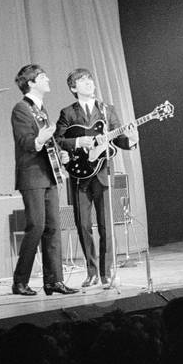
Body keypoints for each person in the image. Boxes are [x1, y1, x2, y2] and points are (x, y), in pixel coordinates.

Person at [54, 68, 137, 288]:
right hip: (79, 174)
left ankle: (106, 272)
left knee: (105, 225)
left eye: (90, 79)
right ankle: (91, 272)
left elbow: (117, 138)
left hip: (102, 172)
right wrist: (79, 142)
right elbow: (58, 139)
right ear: (74, 88)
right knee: (83, 225)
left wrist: (131, 141)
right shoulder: (68, 113)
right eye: (82, 81)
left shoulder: (107, 110)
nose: (89, 83)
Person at [10, 64, 76, 297]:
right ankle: (19, 281)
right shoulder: (21, 109)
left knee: (53, 228)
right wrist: (39, 138)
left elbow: (48, 144)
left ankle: (54, 281)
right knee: (36, 226)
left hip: (48, 174)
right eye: (42, 77)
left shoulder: (41, 109)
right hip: (31, 176)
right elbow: (26, 142)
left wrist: (61, 153)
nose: (47, 79)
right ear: (30, 83)